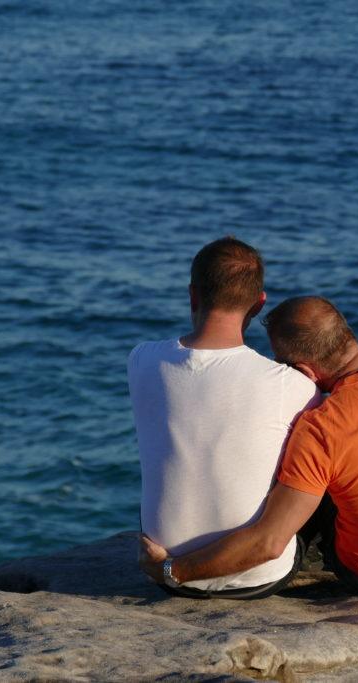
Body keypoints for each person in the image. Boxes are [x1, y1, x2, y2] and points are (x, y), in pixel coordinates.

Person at [140, 295, 358, 593]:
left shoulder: (322, 427)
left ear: (307, 372)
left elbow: (269, 542)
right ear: (346, 333)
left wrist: (173, 570)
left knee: (304, 482)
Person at [129, 238, 320, 599]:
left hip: (162, 565)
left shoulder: (141, 359)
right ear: (259, 303)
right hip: (255, 579)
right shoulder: (293, 387)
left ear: (192, 295)